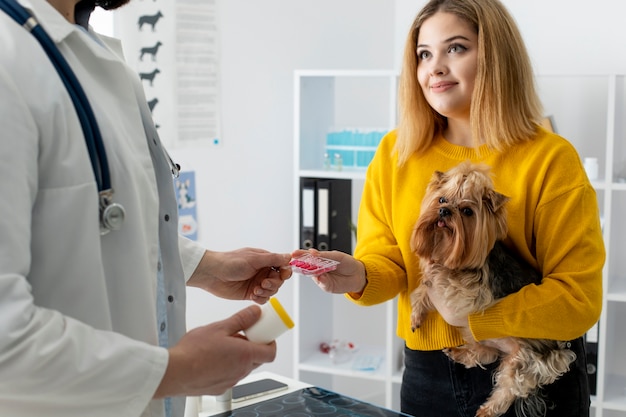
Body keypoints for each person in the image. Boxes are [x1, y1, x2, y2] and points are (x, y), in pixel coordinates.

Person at [295, 0, 604, 416]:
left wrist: (476, 321)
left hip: (531, 374)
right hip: (428, 374)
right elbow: (391, 262)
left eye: (455, 48)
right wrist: (359, 276)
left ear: (495, 56)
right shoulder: (394, 154)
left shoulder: (550, 159)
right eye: (424, 54)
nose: (434, 68)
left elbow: (578, 297)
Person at [0, 0, 292, 416]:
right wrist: (177, 370)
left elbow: (95, 215)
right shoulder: (9, 60)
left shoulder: (84, 50)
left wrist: (201, 266)